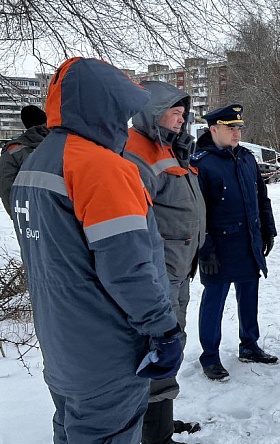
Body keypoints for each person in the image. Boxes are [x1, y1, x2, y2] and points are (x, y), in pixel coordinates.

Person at [10, 57, 182, 443]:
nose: (123, 122)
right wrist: (163, 329)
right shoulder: (101, 168)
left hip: (63, 349)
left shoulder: (36, 163)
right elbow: (129, 267)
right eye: (121, 110)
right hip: (108, 352)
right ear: (104, 104)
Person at [123, 81, 206, 443]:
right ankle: (154, 436)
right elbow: (137, 222)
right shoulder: (135, 153)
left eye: (183, 113)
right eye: (175, 111)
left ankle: (159, 424)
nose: (182, 118)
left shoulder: (169, 148)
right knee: (158, 348)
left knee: (171, 347)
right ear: (153, 111)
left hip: (178, 269)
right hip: (158, 274)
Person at [192, 104, 278, 382]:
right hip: (217, 247)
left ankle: (249, 345)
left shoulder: (246, 158)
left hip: (248, 242)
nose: (236, 133)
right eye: (231, 128)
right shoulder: (201, 163)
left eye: (239, 127)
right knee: (214, 301)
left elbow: (261, 198)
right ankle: (210, 356)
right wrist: (205, 250)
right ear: (213, 129)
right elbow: (197, 212)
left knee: (249, 296)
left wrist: (268, 230)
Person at [0, 105, 49, 218]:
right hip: (59, 216)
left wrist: (18, 217)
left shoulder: (13, 151)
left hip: (28, 215)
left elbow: (6, 187)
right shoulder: (61, 143)